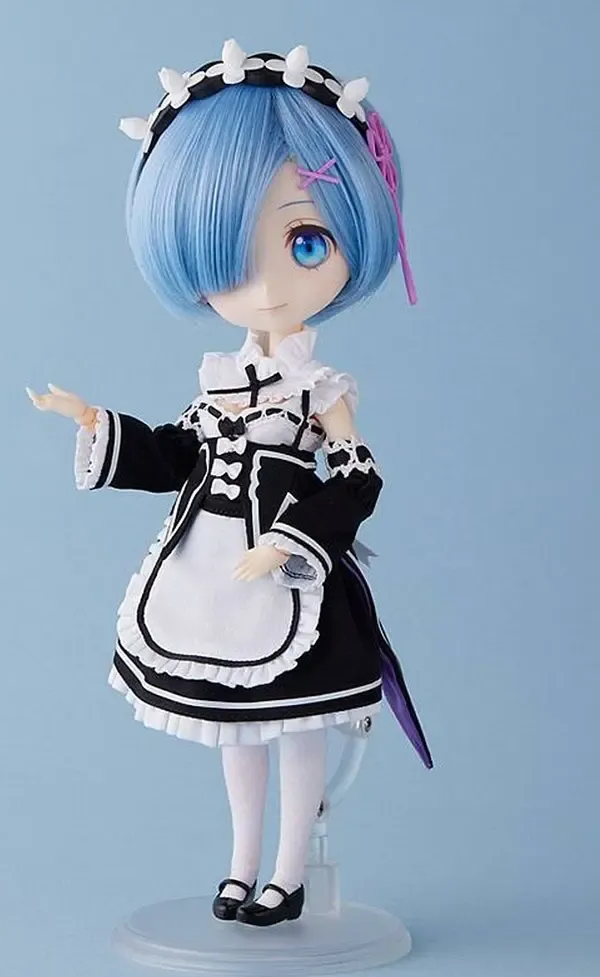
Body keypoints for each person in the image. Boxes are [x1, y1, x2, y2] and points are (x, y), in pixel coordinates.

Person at [27, 40, 432, 929]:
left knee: (295, 731)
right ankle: (242, 864)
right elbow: (179, 455)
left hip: (289, 582)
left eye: (305, 241)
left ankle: (287, 875)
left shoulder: (321, 390)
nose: (268, 286)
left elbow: (359, 477)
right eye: (228, 255)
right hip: (209, 576)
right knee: (234, 734)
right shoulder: (218, 384)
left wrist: (294, 539)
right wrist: (97, 424)